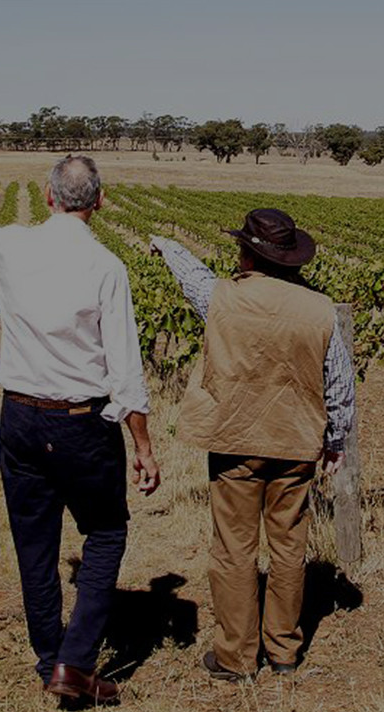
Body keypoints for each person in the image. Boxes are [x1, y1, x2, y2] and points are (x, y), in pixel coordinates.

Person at [0, 155, 160, 706]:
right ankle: (76, 663)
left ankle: (49, 660)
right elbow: (125, 368)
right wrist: (144, 446)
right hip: (82, 423)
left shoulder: (11, 245)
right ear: (101, 202)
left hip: (18, 416)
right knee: (106, 533)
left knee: (34, 544)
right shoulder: (107, 267)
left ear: (47, 196)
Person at [150, 209, 355, 682]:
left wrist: (167, 246)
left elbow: (194, 279)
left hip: (234, 441)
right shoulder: (319, 309)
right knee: (289, 546)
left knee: (234, 549)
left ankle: (236, 657)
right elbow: (340, 384)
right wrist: (336, 439)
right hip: (297, 442)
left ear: (248, 253)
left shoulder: (222, 297)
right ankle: (284, 649)